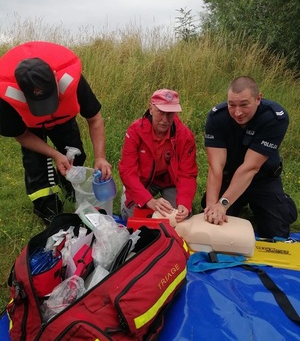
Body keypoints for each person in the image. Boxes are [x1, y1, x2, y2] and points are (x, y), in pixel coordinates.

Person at [0, 41, 112, 224]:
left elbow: (95, 119)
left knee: (76, 157)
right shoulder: (6, 97)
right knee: (37, 168)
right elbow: (21, 135)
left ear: (54, 76)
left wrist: (100, 157)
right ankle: (47, 207)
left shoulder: (72, 81)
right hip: (30, 127)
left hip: (63, 119)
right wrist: (54, 154)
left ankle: (70, 189)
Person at [202, 75, 297, 239]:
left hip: (262, 179)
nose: (237, 112)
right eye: (232, 105)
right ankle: (234, 204)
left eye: (244, 105)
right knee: (212, 223)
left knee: (275, 232)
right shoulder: (217, 117)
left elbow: (251, 168)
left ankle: (282, 203)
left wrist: (223, 204)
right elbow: (215, 167)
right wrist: (212, 207)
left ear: (258, 98)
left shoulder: (274, 117)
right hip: (228, 177)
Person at [119, 88, 198, 224]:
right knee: (132, 217)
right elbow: (127, 171)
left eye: (170, 114)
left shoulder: (185, 136)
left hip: (170, 180)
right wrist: (149, 201)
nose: (165, 120)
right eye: (161, 112)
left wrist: (184, 202)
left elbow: (187, 174)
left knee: (181, 218)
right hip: (142, 180)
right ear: (151, 109)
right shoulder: (135, 131)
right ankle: (127, 199)